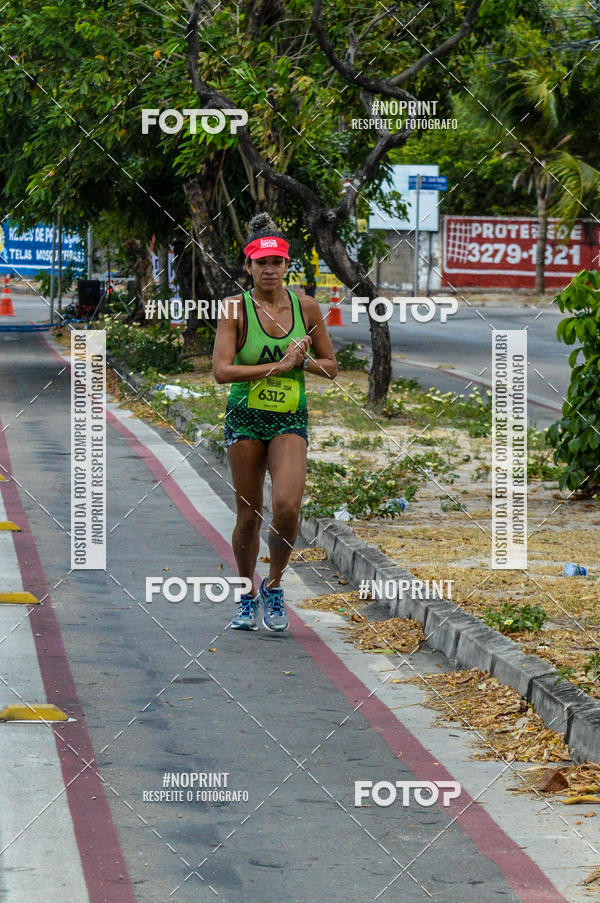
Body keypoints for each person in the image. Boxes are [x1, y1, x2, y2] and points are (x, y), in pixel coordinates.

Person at [213, 213, 338, 632]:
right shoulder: (235, 309)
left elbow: (331, 367)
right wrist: (276, 367)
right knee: (249, 514)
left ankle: (276, 585)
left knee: (287, 508)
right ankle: (246, 593)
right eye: (261, 264)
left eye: (277, 263)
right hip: (245, 417)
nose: (269, 270)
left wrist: (304, 363)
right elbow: (222, 371)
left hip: (289, 417)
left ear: (287, 266)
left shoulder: (306, 307)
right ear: (248, 267)